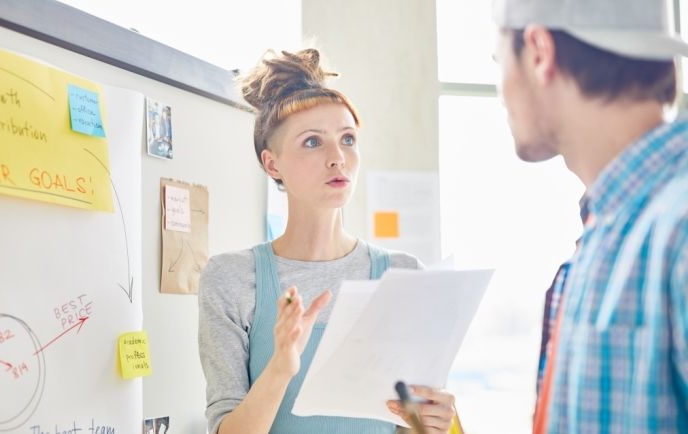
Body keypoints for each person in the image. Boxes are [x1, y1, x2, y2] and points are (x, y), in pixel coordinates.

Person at [198, 48, 457, 434]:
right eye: (312, 142)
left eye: (348, 139)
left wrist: (432, 424)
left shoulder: (403, 274)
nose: (338, 157)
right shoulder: (231, 277)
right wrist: (280, 369)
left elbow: (408, 424)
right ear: (272, 164)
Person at [492, 0, 688, 432]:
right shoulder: (608, 232)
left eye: (498, 61)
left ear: (540, 51)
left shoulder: (678, 229)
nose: (500, 89)